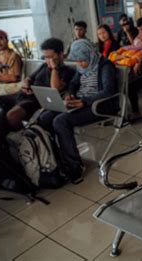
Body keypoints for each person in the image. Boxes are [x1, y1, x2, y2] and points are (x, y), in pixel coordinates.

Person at [37, 39, 118, 184]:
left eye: (83, 60)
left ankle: (75, 166)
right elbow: (73, 84)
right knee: (45, 117)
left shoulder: (105, 66)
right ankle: (57, 160)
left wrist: (84, 101)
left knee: (61, 121)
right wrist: (70, 94)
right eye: (77, 61)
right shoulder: (81, 68)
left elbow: (108, 91)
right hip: (81, 102)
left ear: (90, 54)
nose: (80, 64)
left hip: (99, 105)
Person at [5, 38, 76, 130]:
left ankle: (27, 136)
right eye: (46, 57)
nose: (48, 60)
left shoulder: (67, 71)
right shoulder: (44, 66)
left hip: (37, 101)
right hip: (25, 95)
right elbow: (28, 79)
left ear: (61, 55)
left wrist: (54, 69)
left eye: (51, 57)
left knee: (12, 116)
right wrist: (26, 85)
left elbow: (55, 88)